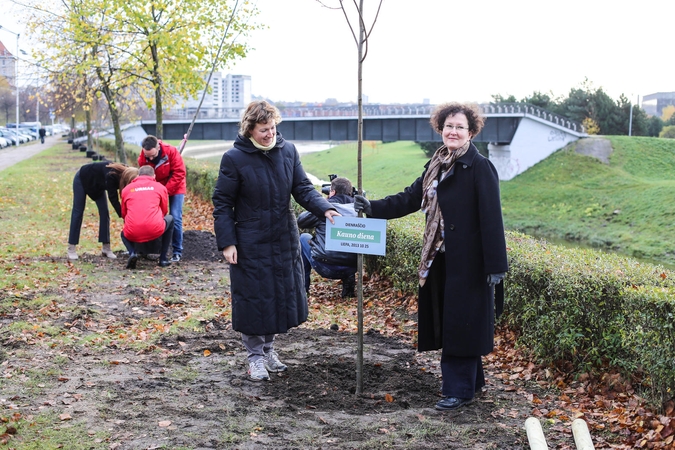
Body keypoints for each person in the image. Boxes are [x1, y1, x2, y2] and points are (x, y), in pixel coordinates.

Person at [354, 102, 508, 411]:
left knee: (460, 325)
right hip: (440, 260)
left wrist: (496, 266)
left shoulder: (480, 167)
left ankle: (457, 391)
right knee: (459, 323)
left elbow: (492, 219)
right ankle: (473, 383)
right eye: (448, 126)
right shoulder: (437, 163)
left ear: (471, 132)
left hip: (470, 263)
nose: (453, 131)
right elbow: (410, 198)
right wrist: (373, 208)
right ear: (441, 128)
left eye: (459, 127)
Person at [212, 100, 341, 382]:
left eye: (272, 128)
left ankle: (269, 351)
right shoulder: (233, 158)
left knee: (275, 297)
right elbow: (223, 203)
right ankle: (254, 357)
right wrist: (227, 242)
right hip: (250, 242)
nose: (270, 134)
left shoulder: (288, 151)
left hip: (283, 238)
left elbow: (303, 188)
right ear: (249, 130)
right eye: (263, 130)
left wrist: (325, 207)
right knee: (254, 299)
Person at [297, 176, 358, 298]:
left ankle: (303, 288)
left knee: (303, 237)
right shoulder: (358, 209)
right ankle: (348, 289)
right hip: (352, 267)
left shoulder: (327, 208)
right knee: (348, 247)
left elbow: (301, 221)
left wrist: (321, 204)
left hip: (325, 266)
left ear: (333, 192)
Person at [67, 160, 129, 260]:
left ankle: (106, 248)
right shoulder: (112, 176)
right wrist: (124, 215)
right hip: (82, 178)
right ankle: (71, 248)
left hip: (98, 185)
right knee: (78, 212)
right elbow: (113, 199)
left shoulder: (128, 175)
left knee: (105, 213)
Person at [138, 135, 186, 263]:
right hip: (157, 188)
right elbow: (145, 176)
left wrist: (165, 191)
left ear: (158, 147)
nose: (151, 158)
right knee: (153, 216)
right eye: (148, 156)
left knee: (175, 216)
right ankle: (152, 248)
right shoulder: (143, 157)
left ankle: (177, 251)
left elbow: (179, 173)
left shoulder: (171, 151)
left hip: (176, 187)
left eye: (153, 155)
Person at [120, 165, 174, 269]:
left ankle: (132, 253)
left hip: (132, 232)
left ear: (138, 175)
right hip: (156, 228)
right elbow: (164, 211)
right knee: (171, 219)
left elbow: (124, 213)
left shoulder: (126, 189)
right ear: (154, 175)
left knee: (123, 234)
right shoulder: (160, 188)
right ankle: (163, 258)